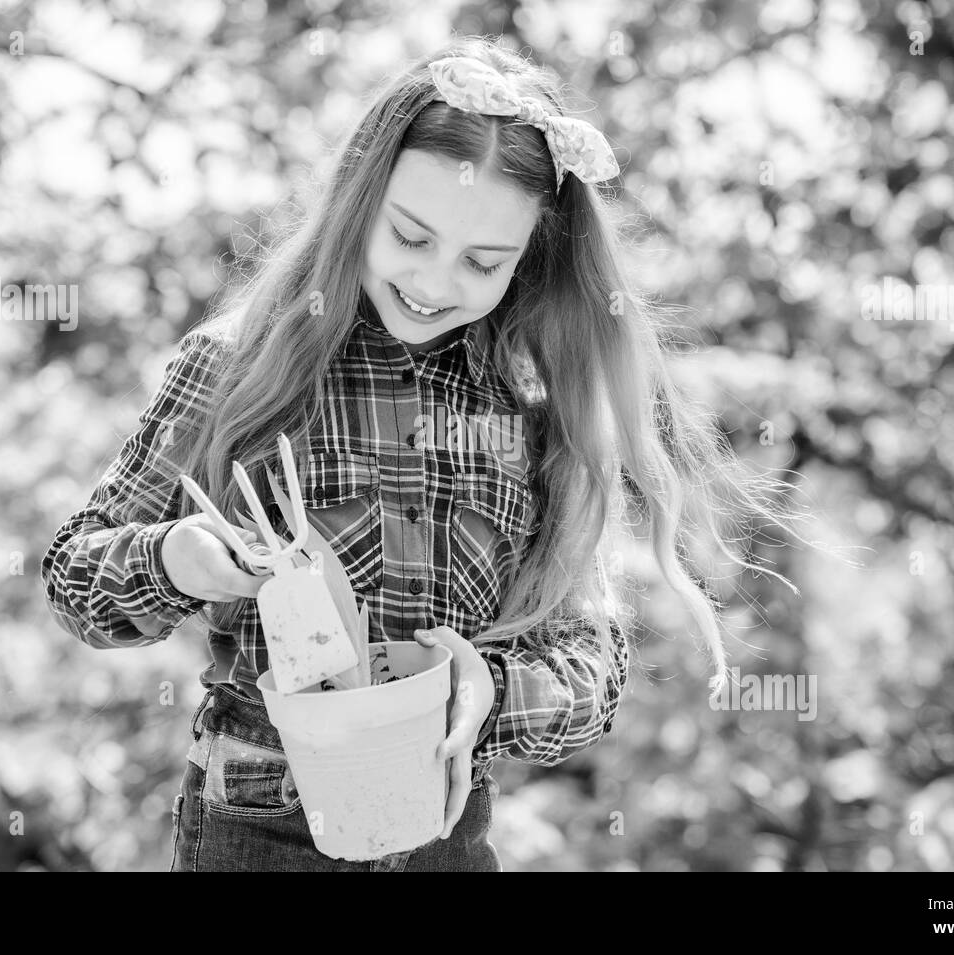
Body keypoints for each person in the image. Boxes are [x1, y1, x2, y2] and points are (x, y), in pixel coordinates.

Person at [41, 36, 811, 872]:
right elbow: (73, 581)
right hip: (260, 820)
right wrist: (173, 562)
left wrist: (487, 689)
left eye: (484, 262)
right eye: (410, 238)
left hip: (447, 829)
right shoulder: (239, 365)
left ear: (529, 257)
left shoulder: (537, 408)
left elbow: (591, 667)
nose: (437, 282)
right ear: (359, 201)